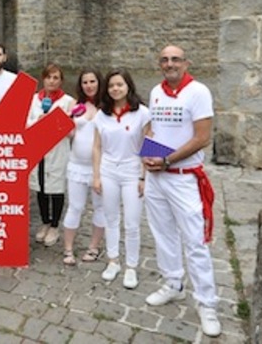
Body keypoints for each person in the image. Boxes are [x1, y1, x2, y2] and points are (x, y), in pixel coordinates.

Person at [142, 45, 221, 337]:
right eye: (164, 59)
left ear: (186, 62)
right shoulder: (156, 92)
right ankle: (173, 283)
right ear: (159, 64)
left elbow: (202, 138)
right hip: (157, 177)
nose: (169, 63)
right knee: (163, 234)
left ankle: (207, 302)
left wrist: (167, 160)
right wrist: (148, 152)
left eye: (175, 59)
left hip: (184, 178)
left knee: (195, 240)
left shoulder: (198, 92)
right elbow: (155, 128)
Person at [92, 68, 150, 289]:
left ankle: (131, 267)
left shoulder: (142, 113)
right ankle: (113, 260)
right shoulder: (101, 114)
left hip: (131, 170)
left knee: (132, 223)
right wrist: (96, 176)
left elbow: (148, 145)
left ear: (128, 87)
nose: (116, 89)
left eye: (120, 85)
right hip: (108, 170)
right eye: (111, 85)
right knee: (111, 218)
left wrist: (144, 177)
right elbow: (96, 147)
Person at [62, 69, 106, 265]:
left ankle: (94, 247)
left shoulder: (107, 106)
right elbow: (70, 134)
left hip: (100, 167)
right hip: (77, 164)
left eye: (92, 81)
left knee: (100, 208)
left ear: (99, 82)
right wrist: (67, 120)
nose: (89, 85)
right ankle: (68, 249)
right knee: (75, 207)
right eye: (85, 82)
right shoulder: (75, 104)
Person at [29, 63, 75, 247]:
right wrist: (37, 121)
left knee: (55, 188)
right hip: (38, 149)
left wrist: (54, 123)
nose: (52, 81)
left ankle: (55, 225)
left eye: (56, 78)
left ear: (61, 81)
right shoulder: (34, 100)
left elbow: (71, 128)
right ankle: (45, 222)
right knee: (40, 187)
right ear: (43, 79)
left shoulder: (68, 102)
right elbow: (25, 121)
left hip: (57, 150)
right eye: (49, 77)